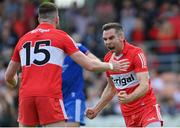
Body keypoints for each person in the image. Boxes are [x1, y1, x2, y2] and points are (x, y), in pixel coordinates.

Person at [4, 3, 129, 127]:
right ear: (57, 19)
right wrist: (111, 66)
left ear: (38, 19)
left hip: (26, 96)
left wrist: (15, 82)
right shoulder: (62, 37)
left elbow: (9, 76)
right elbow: (90, 65)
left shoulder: (23, 40)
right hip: (50, 95)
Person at [85, 22, 163, 127]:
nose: (108, 42)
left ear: (121, 36)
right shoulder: (108, 59)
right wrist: (96, 109)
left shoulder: (136, 53)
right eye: (105, 39)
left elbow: (145, 85)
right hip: (128, 114)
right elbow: (111, 88)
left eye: (111, 38)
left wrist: (129, 98)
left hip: (147, 109)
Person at [62, 40, 100, 127]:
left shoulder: (76, 47)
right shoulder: (51, 50)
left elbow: (96, 61)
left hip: (73, 97)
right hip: (55, 98)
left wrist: (87, 67)